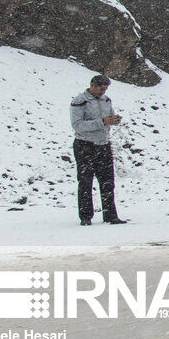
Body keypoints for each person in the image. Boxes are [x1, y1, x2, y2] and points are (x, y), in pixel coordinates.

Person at [70, 74, 126, 225]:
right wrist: (101, 122)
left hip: (103, 144)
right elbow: (77, 125)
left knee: (108, 181)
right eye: (101, 89)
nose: (103, 92)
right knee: (85, 181)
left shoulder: (106, 100)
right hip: (84, 145)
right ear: (92, 85)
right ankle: (86, 216)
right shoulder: (79, 101)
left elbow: (110, 117)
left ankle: (110, 215)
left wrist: (114, 120)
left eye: (106, 89)